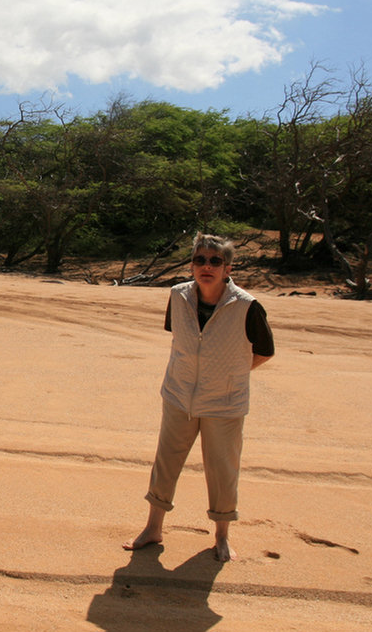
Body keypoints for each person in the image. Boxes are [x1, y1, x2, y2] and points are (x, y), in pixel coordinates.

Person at [124, 233, 274, 562]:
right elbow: (177, 337)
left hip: (225, 403)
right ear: (192, 265)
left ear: (228, 268)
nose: (206, 266)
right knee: (166, 462)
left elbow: (265, 351)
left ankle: (221, 537)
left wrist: (232, 375)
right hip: (179, 395)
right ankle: (153, 528)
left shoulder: (247, 306)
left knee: (222, 470)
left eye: (215, 261)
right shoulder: (178, 296)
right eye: (200, 260)